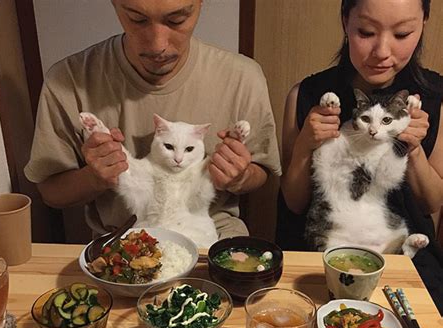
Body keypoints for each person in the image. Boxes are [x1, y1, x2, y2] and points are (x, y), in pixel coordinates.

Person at [24, 0, 280, 242]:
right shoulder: (67, 80)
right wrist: (95, 178)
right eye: (137, 19)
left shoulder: (243, 77)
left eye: (177, 19)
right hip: (124, 242)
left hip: (214, 236)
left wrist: (240, 177)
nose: (158, 45)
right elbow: (50, 191)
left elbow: (262, 172)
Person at [276, 0, 443, 312]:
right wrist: (303, 145)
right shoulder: (308, 95)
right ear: (345, 22)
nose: (382, 51)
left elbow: (432, 203)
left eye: (403, 33)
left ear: (423, 25)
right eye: (366, 32)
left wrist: (414, 147)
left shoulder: (435, 99)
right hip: (325, 250)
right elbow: (294, 202)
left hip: (405, 258)